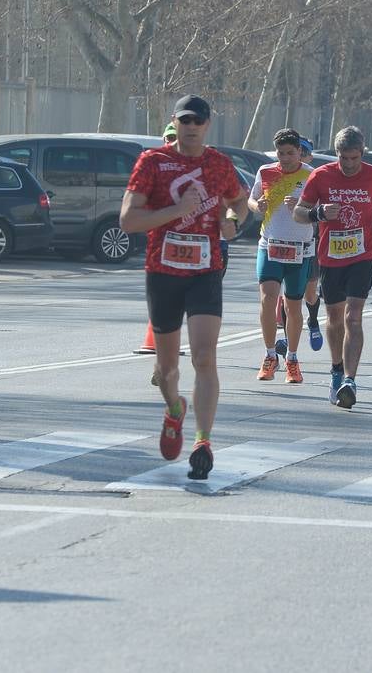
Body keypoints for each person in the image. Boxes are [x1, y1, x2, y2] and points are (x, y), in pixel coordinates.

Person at [119, 96, 247, 480]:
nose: (192, 125)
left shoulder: (219, 164)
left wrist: (231, 220)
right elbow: (128, 220)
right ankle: (175, 410)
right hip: (163, 270)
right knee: (167, 368)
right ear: (174, 122)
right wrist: (177, 210)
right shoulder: (153, 162)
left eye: (199, 120)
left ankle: (203, 441)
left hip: (205, 270)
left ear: (208, 124)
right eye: (185, 119)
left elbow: (240, 203)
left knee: (205, 357)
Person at [295, 126, 372, 409]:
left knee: (353, 317)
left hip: (363, 255)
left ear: (362, 153)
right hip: (330, 256)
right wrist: (318, 213)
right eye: (343, 158)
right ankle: (336, 369)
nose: (349, 164)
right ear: (335, 153)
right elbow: (299, 212)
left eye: (354, 158)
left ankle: (350, 380)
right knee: (335, 319)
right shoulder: (321, 175)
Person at [250, 129, 313, 385]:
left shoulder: (311, 175)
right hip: (270, 244)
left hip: (300, 248)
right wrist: (258, 206)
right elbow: (251, 200)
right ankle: (269, 355)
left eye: (290, 153)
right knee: (267, 299)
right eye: (281, 153)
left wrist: (302, 206)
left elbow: (319, 209)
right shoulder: (265, 172)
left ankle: (293, 360)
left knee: (293, 306)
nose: (285, 158)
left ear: (300, 152)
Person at [294, 137, 325, 353]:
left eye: (304, 151)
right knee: (290, 294)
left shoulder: (316, 176)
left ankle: (313, 321)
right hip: (286, 242)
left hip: (311, 241)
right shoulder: (277, 174)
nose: (299, 154)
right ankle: (287, 340)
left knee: (310, 294)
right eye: (297, 150)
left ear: (310, 155)